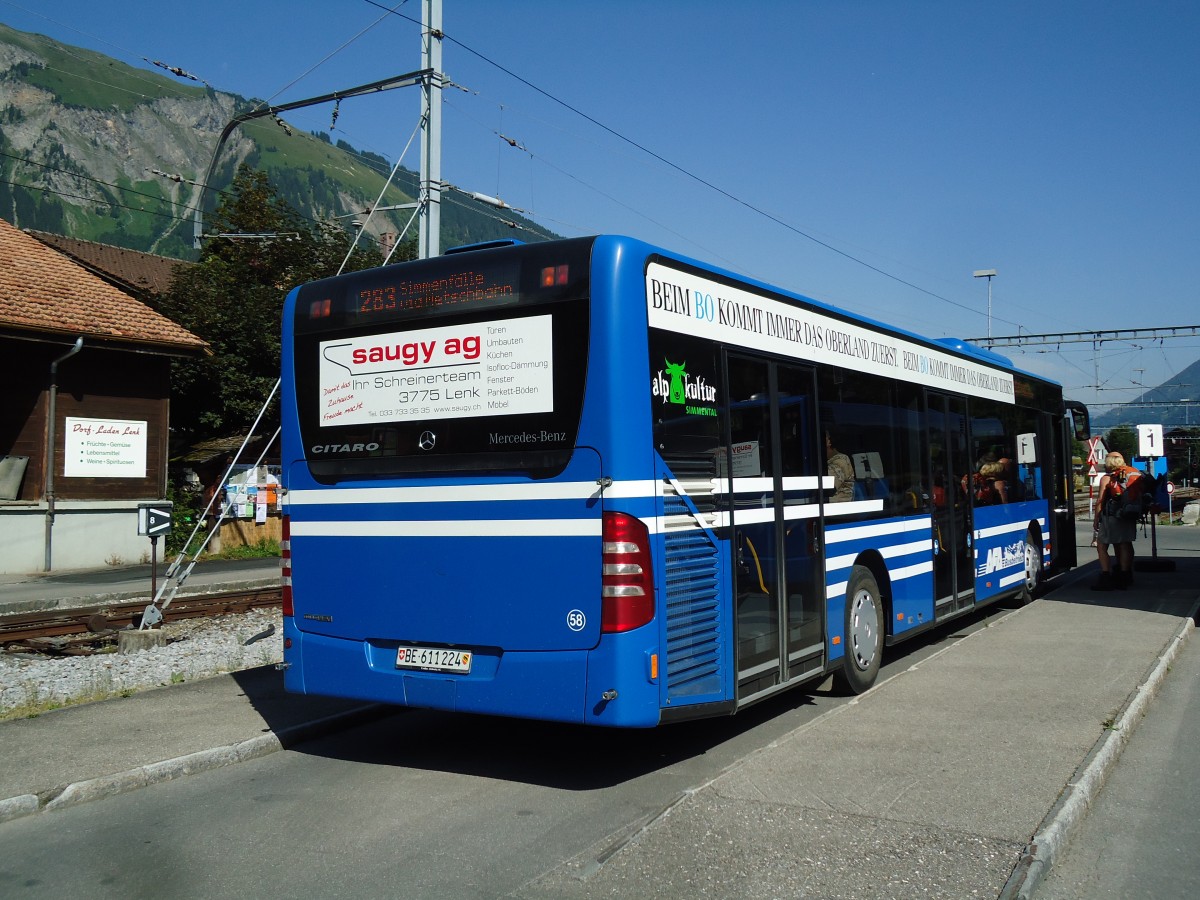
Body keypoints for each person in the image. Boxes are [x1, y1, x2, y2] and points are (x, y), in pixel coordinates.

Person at [1091, 451, 1136, 590]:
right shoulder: (1131, 473)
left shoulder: (1107, 478)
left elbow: (1100, 500)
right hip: (1129, 514)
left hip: (1111, 516)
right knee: (1124, 544)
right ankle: (1125, 575)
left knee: (1101, 545)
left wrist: (1096, 517)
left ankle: (1106, 576)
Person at [825, 430, 854, 502]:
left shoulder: (840, 460)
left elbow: (828, 488)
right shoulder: (828, 460)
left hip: (839, 509)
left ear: (829, 441)